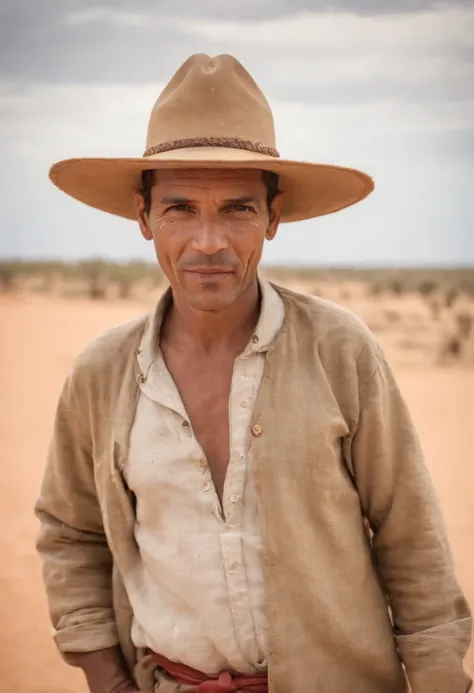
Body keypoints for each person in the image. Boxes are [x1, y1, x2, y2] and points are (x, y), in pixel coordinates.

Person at [35, 53, 472, 693]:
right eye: (181, 207)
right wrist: (109, 679)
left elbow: (412, 540)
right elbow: (70, 533)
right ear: (144, 215)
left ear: (272, 216)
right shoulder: (102, 374)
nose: (208, 240)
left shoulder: (340, 350)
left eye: (237, 209)